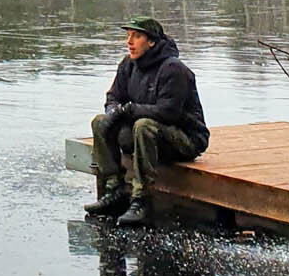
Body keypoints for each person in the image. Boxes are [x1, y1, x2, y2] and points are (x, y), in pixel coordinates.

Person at [84, 16, 209, 228]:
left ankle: (140, 199)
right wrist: (113, 113)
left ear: (151, 41)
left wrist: (127, 110)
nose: (129, 42)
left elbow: (168, 112)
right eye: (128, 36)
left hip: (186, 139)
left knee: (144, 125)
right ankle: (115, 190)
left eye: (136, 36)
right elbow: (113, 97)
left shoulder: (174, 69)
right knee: (100, 122)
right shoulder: (127, 65)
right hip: (148, 134)